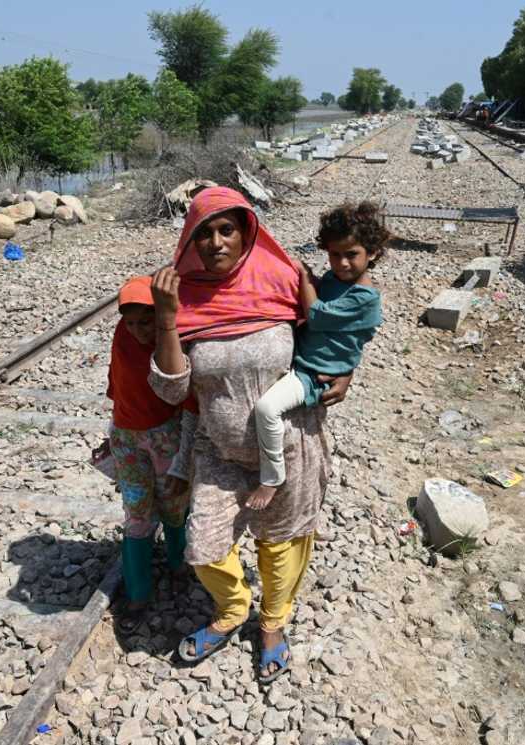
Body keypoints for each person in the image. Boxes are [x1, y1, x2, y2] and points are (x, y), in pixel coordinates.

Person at [148, 187, 350, 685]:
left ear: (247, 233)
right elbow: (172, 390)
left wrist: (346, 373)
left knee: (280, 542)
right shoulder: (182, 297)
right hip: (218, 449)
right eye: (204, 233)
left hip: (288, 443)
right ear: (189, 240)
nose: (216, 242)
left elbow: (329, 338)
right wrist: (168, 319)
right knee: (207, 546)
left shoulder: (281, 280)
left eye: (227, 230)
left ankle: (273, 622)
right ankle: (234, 608)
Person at [248, 202, 385, 510]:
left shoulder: (365, 297)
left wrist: (306, 277)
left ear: (372, 253)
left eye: (352, 255)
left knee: (266, 409)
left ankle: (272, 476)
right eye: (335, 254)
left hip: (314, 373)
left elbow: (316, 316)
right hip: (306, 359)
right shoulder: (338, 280)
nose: (342, 263)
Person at [105, 276, 194, 633]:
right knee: (136, 512)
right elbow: (117, 387)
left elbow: (189, 403)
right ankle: (139, 591)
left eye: (147, 322)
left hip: (166, 437)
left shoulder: (175, 343)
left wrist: (184, 462)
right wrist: (110, 434)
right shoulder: (122, 338)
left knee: (174, 504)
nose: (139, 331)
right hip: (127, 438)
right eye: (132, 323)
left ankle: (179, 563)